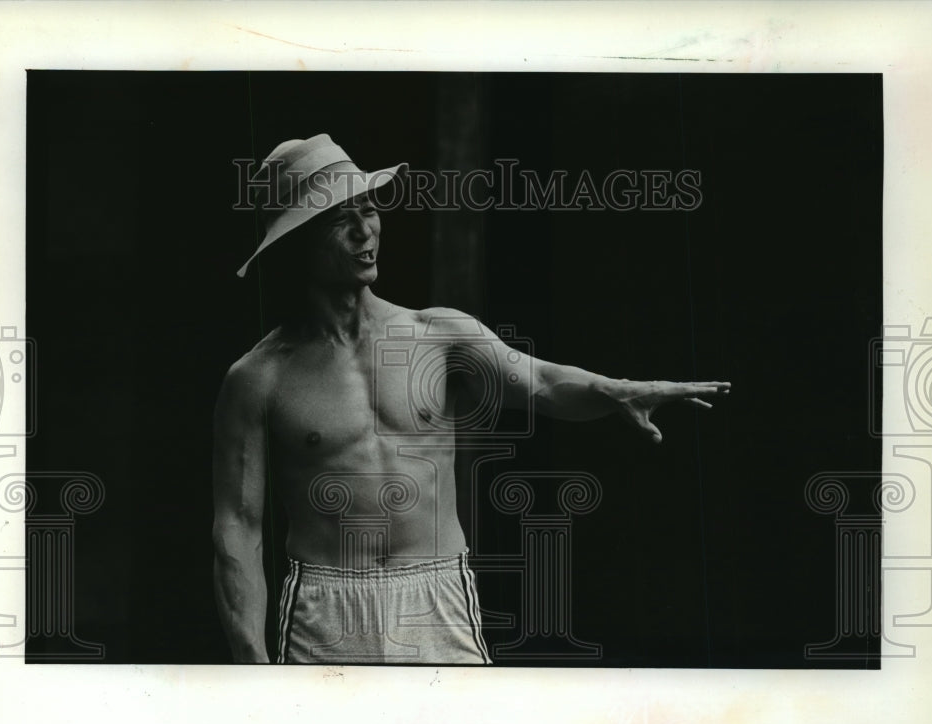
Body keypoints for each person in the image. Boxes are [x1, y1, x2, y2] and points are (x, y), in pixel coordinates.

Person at [212, 134, 730, 664]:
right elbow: (238, 529)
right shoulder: (259, 378)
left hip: (436, 599)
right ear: (297, 238)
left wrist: (615, 390)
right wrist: (252, 663)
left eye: (368, 209)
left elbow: (543, 383)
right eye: (338, 219)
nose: (364, 230)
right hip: (325, 612)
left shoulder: (438, 335)